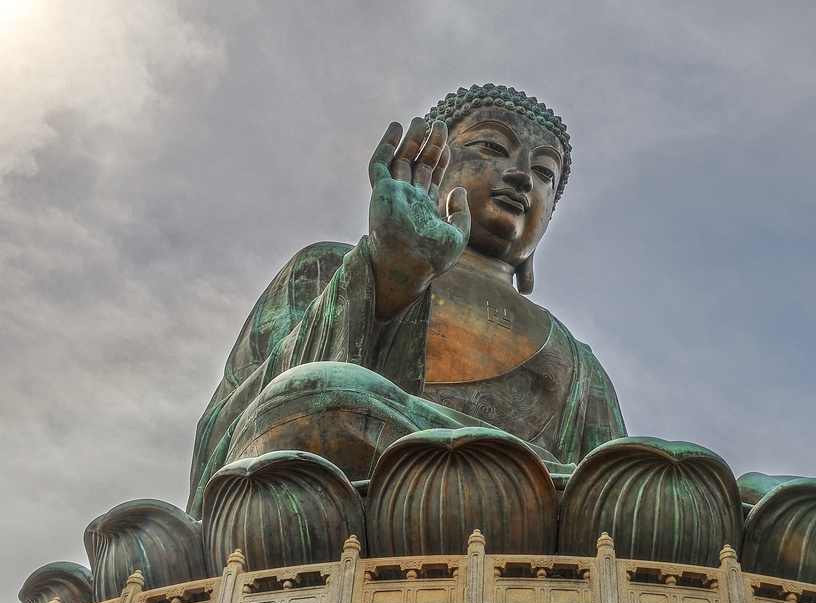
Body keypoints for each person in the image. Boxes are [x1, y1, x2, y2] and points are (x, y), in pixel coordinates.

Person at [186, 84, 626, 518]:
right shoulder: (327, 269)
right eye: (492, 147)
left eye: (545, 174)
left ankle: (518, 483)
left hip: (524, 520)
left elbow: (614, 487)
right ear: (429, 168)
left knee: (655, 485)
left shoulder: (578, 364)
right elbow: (225, 439)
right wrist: (389, 278)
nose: (522, 176)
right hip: (333, 508)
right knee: (323, 397)